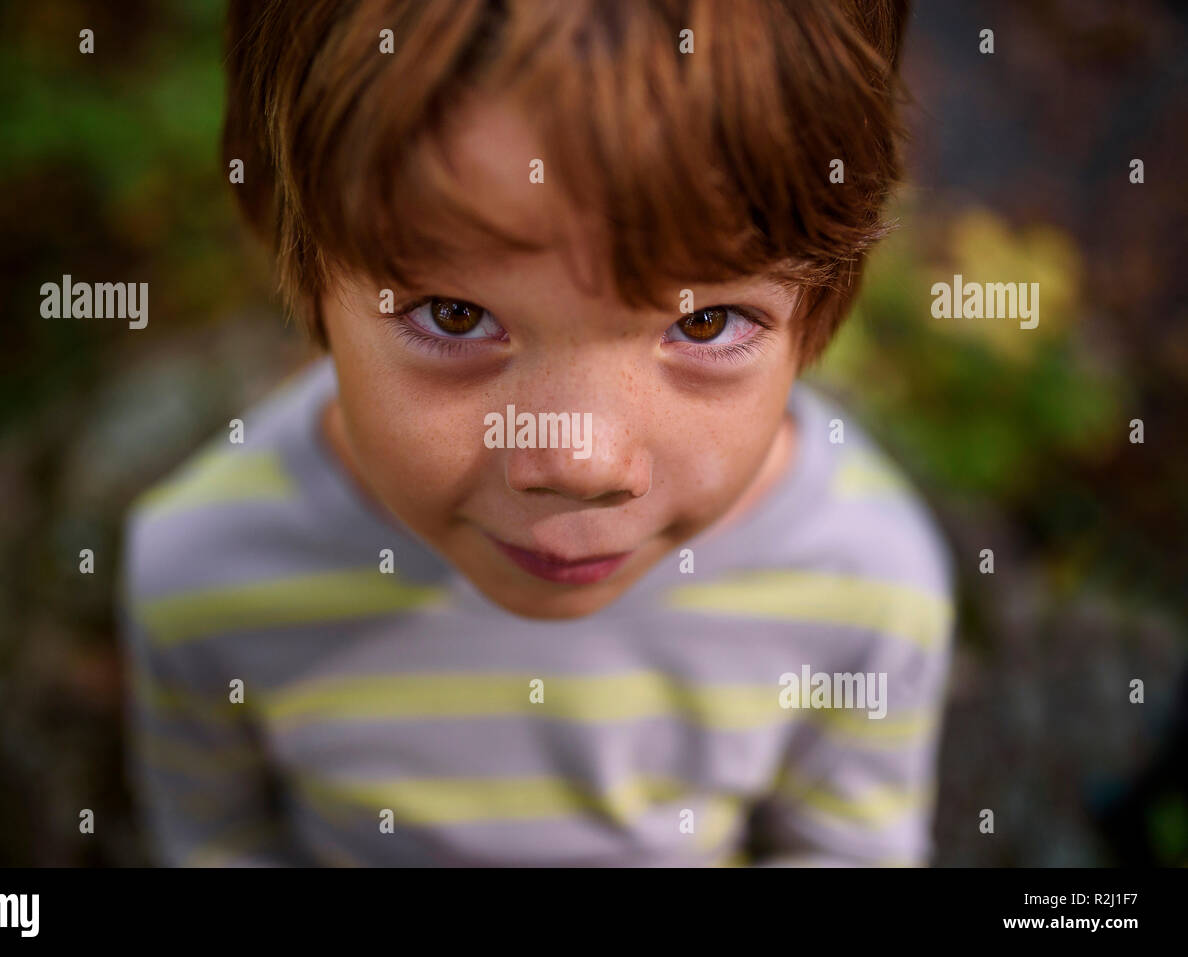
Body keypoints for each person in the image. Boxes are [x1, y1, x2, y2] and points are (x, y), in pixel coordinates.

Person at [119, 0, 954, 866]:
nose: (581, 462)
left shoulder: (864, 581)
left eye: (705, 325)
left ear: (816, 310)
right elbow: (218, 842)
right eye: (456, 314)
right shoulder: (203, 573)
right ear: (301, 262)